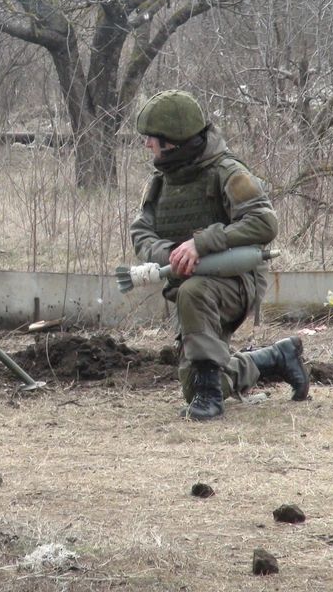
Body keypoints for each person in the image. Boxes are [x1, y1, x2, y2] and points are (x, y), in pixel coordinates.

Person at [129, 90, 309, 420]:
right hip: (190, 289)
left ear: (172, 141)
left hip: (235, 281)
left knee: (193, 292)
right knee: (193, 386)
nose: (147, 145)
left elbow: (264, 222)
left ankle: (211, 398)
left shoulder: (228, 172)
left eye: (152, 138)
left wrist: (203, 243)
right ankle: (273, 358)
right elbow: (141, 232)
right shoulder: (161, 183)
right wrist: (170, 254)